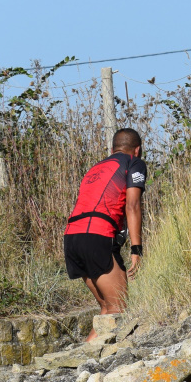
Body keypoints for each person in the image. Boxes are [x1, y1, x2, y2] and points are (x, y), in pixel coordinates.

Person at [64, 127, 147, 338]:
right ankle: (91, 359)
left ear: (112, 149)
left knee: (106, 309)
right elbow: (132, 206)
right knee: (119, 310)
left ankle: (84, 358)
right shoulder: (133, 162)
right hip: (96, 235)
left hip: (72, 237)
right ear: (137, 150)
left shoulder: (96, 167)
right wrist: (136, 249)